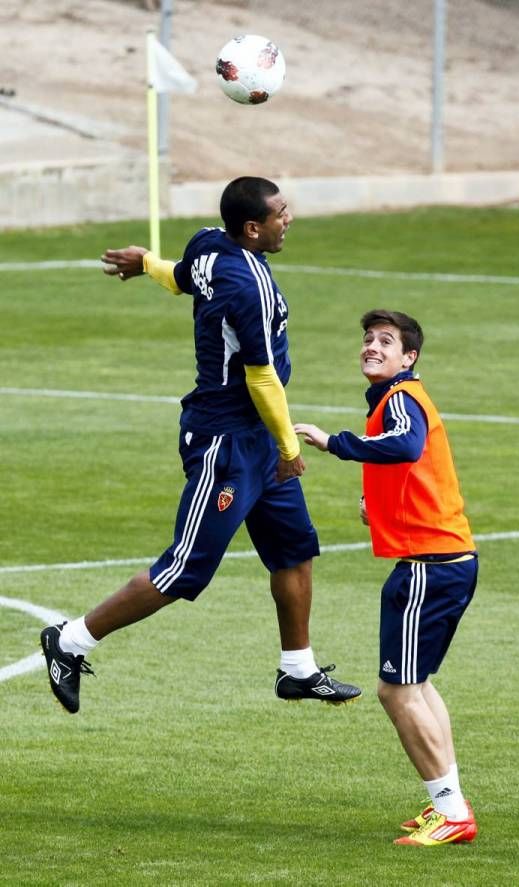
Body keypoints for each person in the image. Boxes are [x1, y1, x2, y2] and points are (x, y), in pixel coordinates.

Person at [40, 176, 361, 714]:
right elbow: (262, 380)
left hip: (255, 437)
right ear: (254, 227)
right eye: (282, 213)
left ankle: (298, 669)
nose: (290, 218)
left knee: (294, 552)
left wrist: (145, 263)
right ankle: (69, 641)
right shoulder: (248, 287)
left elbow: (183, 278)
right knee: (184, 570)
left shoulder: (211, 243)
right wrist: (289, 448)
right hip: (226, 442)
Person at [294, 309, 478, 847]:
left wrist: (336, 443)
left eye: (386, 342)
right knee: (416, 685)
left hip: (429, 566)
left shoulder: (401, 399)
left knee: (395, 691)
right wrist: (377, 503)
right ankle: (451, 805)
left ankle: (450, 812)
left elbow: (405, 446)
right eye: (368, 339)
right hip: (444, 559)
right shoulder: (394, 399)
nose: (372, 347)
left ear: (409, 358)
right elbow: (409, 465)